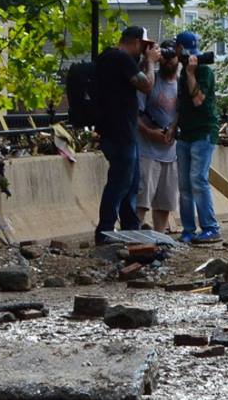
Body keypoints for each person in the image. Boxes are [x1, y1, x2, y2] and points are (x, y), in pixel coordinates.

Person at [93, 25, 153, 244]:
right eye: (144, 45)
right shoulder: (121, 58)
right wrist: (152, 63)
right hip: (120, 131)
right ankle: (105, 229)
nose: (145, 50)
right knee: (121, 181)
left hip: (119, 130)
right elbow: (146, 85)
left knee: (132, 180)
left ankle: (130, 226)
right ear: (136, 42)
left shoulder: (107, 57)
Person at [173, 31, 220, 244]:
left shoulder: (202, 72)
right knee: (184, 184)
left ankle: (210, 227)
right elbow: (182, 104)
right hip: (186, 133)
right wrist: (173, 127)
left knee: (198, 180)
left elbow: (198, 100)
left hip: (203, 132)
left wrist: (191, 73)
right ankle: (188, 229)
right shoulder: (183, 73)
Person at [136, 43, 183, 234]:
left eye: (172, 56)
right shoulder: (150, 81)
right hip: (147, 150)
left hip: (170, 152)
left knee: (165, 201)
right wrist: (148, 131)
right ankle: (134, 234)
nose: (168, 59)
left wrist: (173, 129)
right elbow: (134, 113)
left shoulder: (181, 84)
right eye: (164, 55)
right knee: (141, 199)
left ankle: (159, 237)